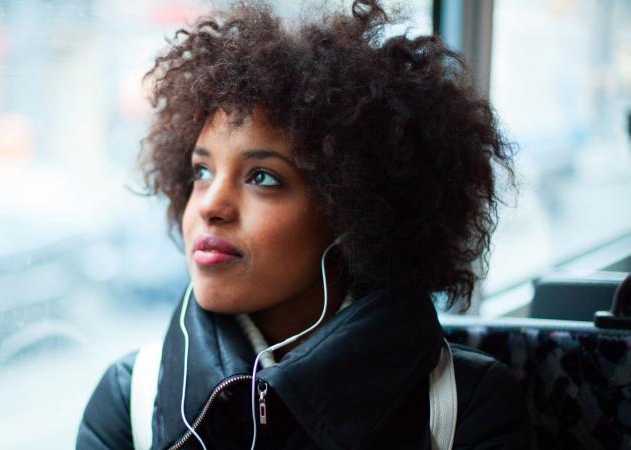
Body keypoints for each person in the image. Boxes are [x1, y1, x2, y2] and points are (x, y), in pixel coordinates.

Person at [77, 0, 529, 448]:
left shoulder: (463, 406)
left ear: (356, 210)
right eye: (201, 172)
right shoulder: (131, 400)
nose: (210, 205)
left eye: (262, 178)